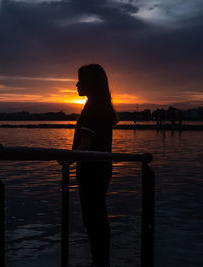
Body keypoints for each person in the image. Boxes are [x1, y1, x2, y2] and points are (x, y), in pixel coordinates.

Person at [72, 64, 118, 267]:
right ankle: (102, 260)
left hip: (90, 170)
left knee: (92, 217)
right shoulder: (103, 107)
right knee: (98, 215)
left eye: (80, 80)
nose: (76, 84)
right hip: (102, 168)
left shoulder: (92, 108)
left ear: (90, 83)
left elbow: (85, 145)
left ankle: (99, 261)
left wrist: (66, 158)